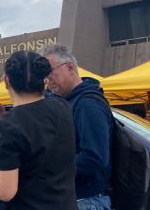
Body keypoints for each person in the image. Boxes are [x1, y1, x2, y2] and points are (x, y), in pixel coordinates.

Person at [0, 51, 77, 209]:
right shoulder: (62, 107)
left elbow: (4, 191)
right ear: (44, 80)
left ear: (6, 81)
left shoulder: (8, 124)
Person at [40, 44, 113, 209]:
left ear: (70, 67)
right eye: (44, 76)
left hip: (87, 200)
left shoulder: (87, 105)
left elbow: (95, 157)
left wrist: (50, 167)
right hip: (74, 198)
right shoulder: (68, 101)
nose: (47, 80)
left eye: (50, 73)